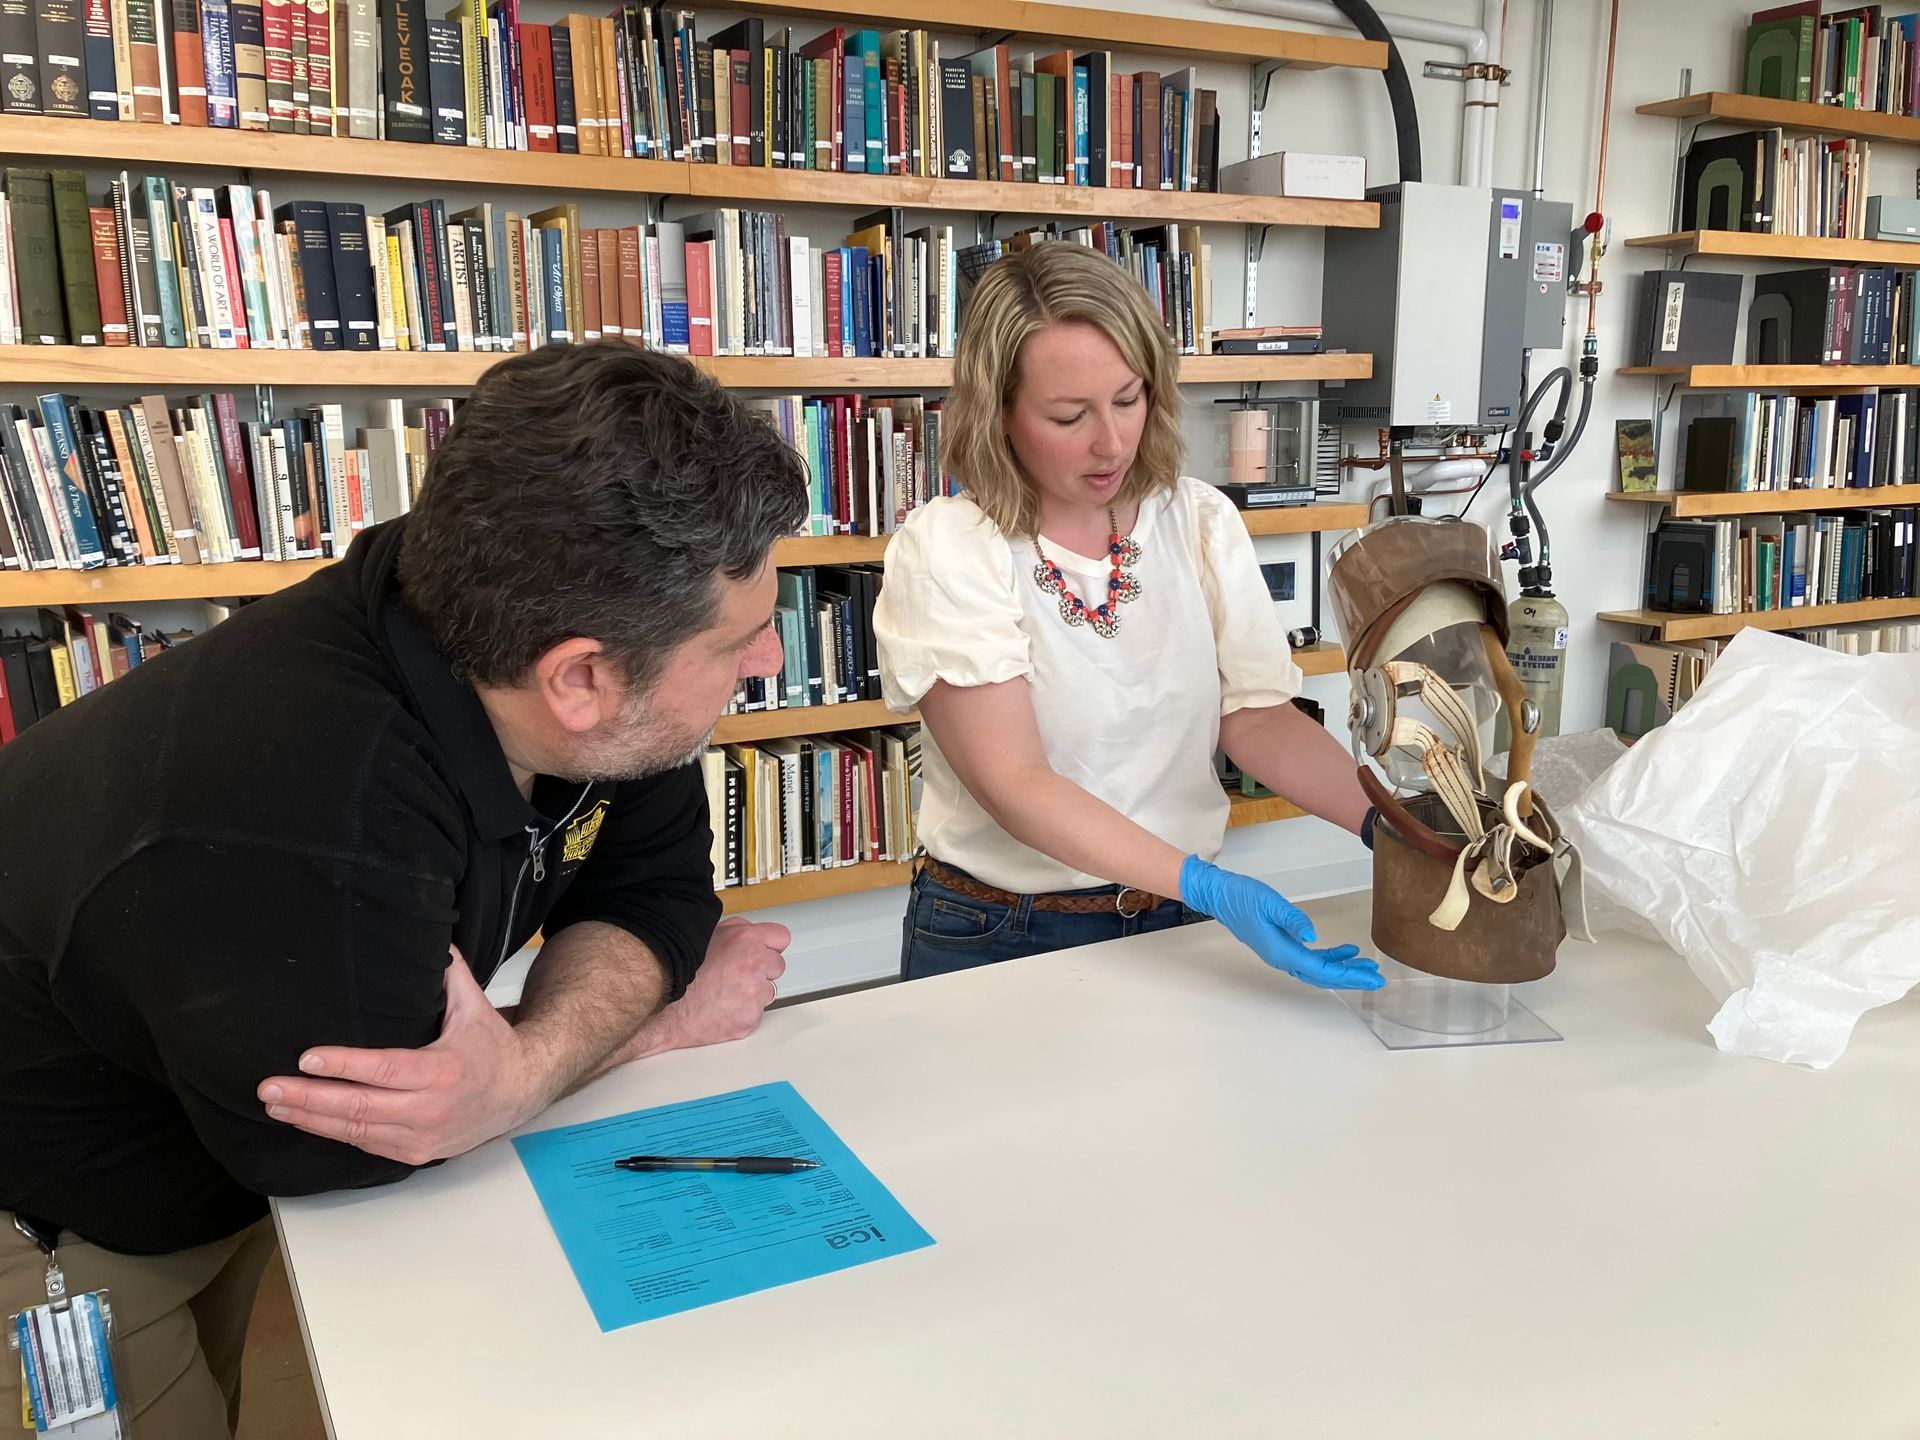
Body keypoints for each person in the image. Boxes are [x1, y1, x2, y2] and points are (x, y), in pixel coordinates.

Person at [0, 342, 808, 1437]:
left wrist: (523, 1060)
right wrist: (633, 1031)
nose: (766, 659)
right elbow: (366, 1137)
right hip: (61, 1213)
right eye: (744, 636)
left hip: (231, 1156)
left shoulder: (536, 639)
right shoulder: (306, 813)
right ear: (580, 679)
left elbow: (659, 890)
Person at [873, 243, 1384, 988]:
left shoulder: (1200, 520)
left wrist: (1388, 827)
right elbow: (1016, 780)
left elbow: (1257, 718)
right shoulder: (950, 547)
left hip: (1178, 917)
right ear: (1000, 414)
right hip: (1003, 932)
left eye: (1128, 399)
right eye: (1069, 415)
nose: (1110, 442)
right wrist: (1205, 883)